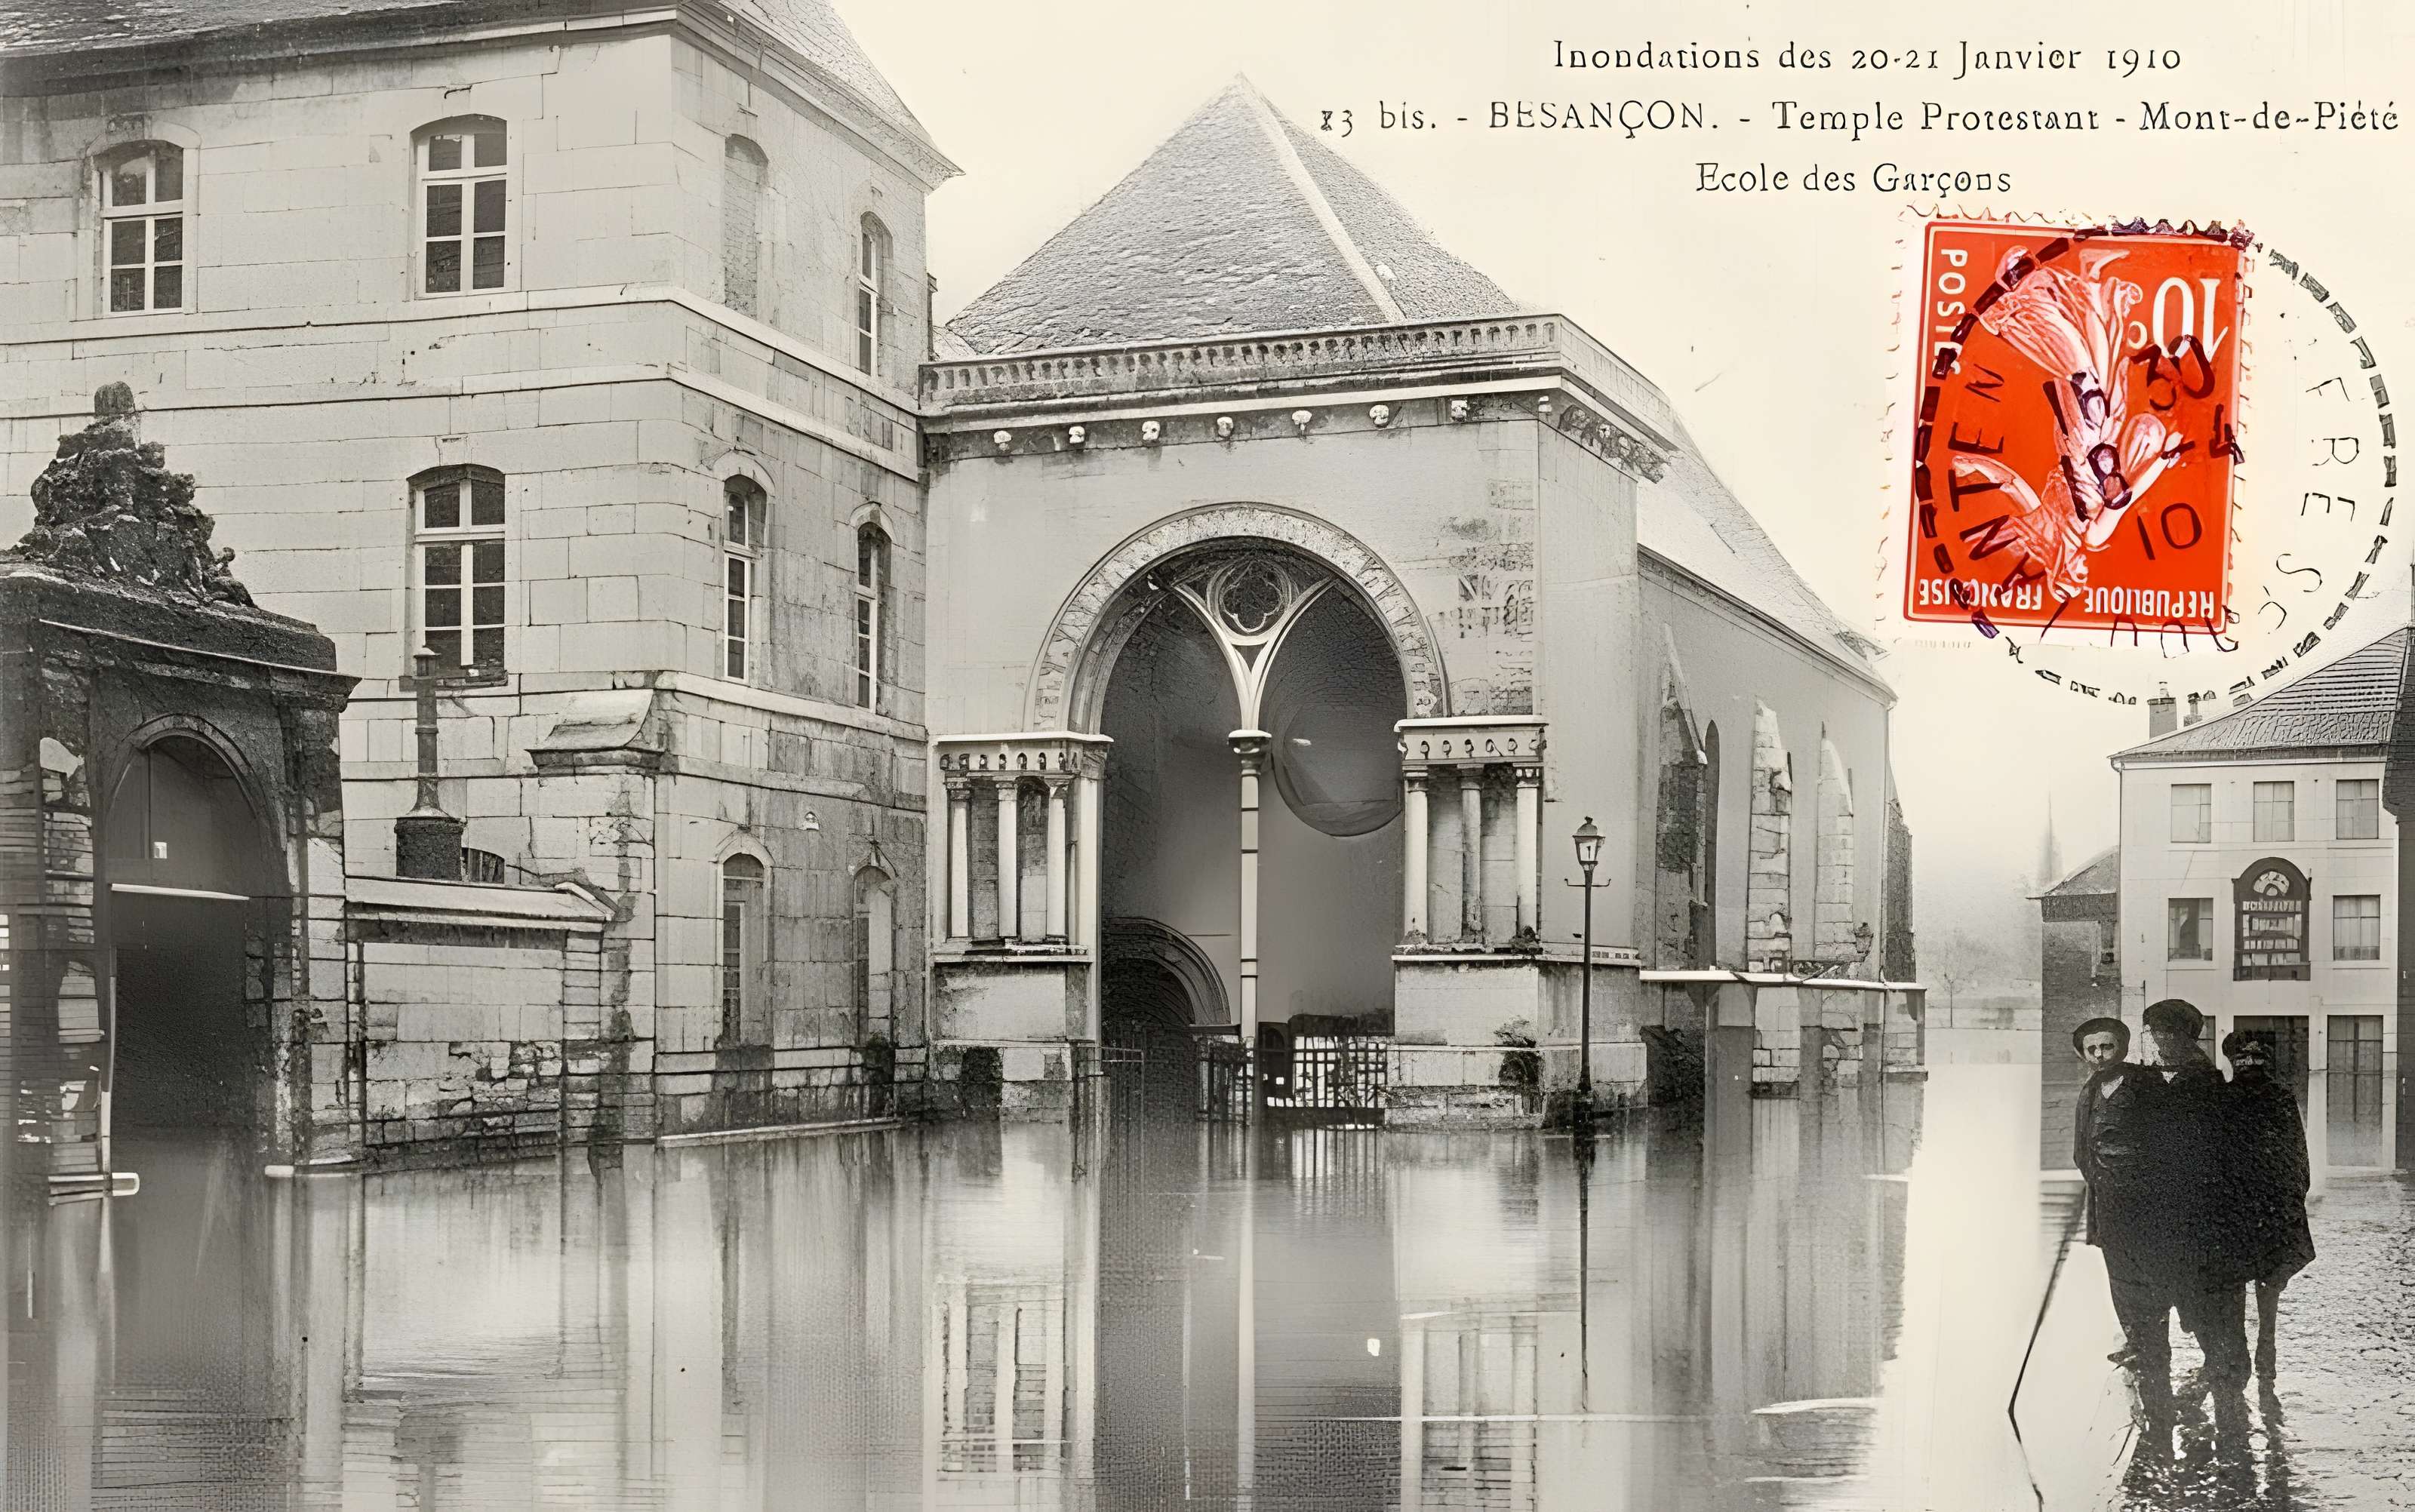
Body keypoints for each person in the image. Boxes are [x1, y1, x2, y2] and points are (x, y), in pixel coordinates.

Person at [2219, 1030, 2316, 1379]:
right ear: (2233, 1063)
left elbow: (2298, 1152)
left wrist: (2295, 1197)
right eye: (2244, 1061)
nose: (2251, 1067)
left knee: (2270, 1279)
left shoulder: (2281, 1099)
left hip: (2272, 1204)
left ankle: (2267, 1341)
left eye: (2258, 1061)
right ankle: (2239, 1347)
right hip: (2232, 1206)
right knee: (2232, 1280)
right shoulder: (2221, 1099)